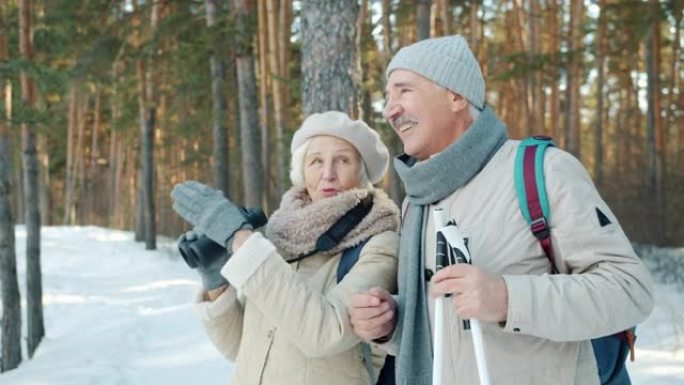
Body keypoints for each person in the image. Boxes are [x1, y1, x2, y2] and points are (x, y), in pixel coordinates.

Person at [349, 35, 654, 384]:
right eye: (388, 96)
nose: (390, 109)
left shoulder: (543, 171)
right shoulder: (417, 201)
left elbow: (631, 290)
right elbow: (448, 329)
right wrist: (392, 321)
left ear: (456, 96)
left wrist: (508, 298)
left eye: (404, 91)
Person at [170, 111, 400, 385]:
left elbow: (326, 332)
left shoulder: (379, 242)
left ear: (362, 174)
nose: (328, 174)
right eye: (316, 161)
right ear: (302, 171)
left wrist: (241, 240)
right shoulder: (281, 237)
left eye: (342, 160)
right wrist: (216, 280)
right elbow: (238, 347)